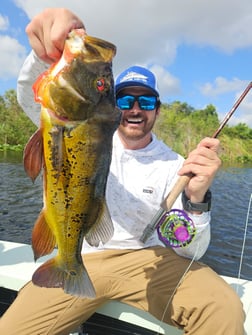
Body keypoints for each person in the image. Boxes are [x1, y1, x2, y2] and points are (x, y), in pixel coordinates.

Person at [0, 8, 244, 335]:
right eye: (125, 99)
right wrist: (45, 51)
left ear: (157, 110)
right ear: (111, 105)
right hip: (84, 254)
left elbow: (190, 251)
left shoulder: (174, 165)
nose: (134, 109)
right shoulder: (68, 125)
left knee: (223, 308)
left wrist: (197, 198)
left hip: (150, 262)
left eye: (146, 102)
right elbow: (33, 91)